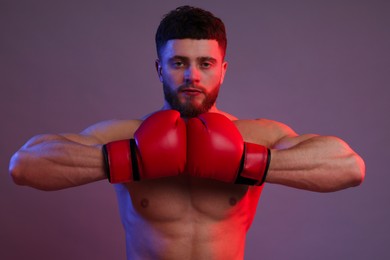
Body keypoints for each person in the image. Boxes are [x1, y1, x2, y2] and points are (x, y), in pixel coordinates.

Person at [9, 5, 365, 260]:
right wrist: (129, 158)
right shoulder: (125, 135)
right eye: (179, 63)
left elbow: (349, 167)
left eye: (205, 64)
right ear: (159, 69)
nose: (192, 76)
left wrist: (248, 161)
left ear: (222, 71)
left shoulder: (257, 135)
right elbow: (24, 165)